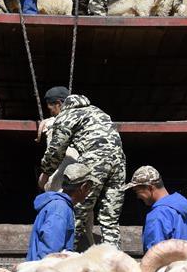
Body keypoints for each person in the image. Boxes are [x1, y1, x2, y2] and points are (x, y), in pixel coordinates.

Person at [38, 92, 126, 250]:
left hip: (95, 162)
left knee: (77, 213)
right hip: (119, 163)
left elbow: (56, 151)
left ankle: (67, 260)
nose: (53, 114)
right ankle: (113, 261)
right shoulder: (98, 112)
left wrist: (45, 173)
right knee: (110, 220)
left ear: (59, 103)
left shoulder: (66, 116)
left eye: (51, 109)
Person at [26, 163, 92, 261]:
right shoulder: (60, 210)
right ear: (83, 187)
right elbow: (50, 254)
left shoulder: (61, 206)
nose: (89, 192)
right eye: (90, 187)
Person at [122, 165, 187, 252]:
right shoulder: (179, 208)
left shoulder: (158, 214)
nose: (138, 196)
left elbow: (154, 255)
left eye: (138, 191)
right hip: (185, 263)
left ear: (150, 188)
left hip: (167, 265)